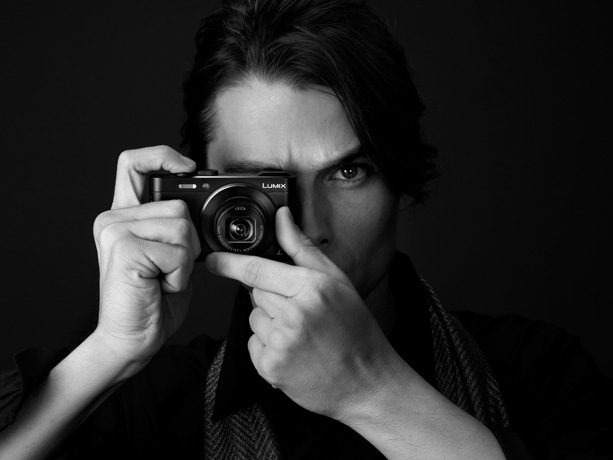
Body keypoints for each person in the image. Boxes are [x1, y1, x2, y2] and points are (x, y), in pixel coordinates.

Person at [0, 0, 611, 459]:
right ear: (198, 190)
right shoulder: (150, 405)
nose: (310, 227)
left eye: (348, 172)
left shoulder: (538, 372)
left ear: (400, 179)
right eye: (261, 185)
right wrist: (111, 350)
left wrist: (372, 393)